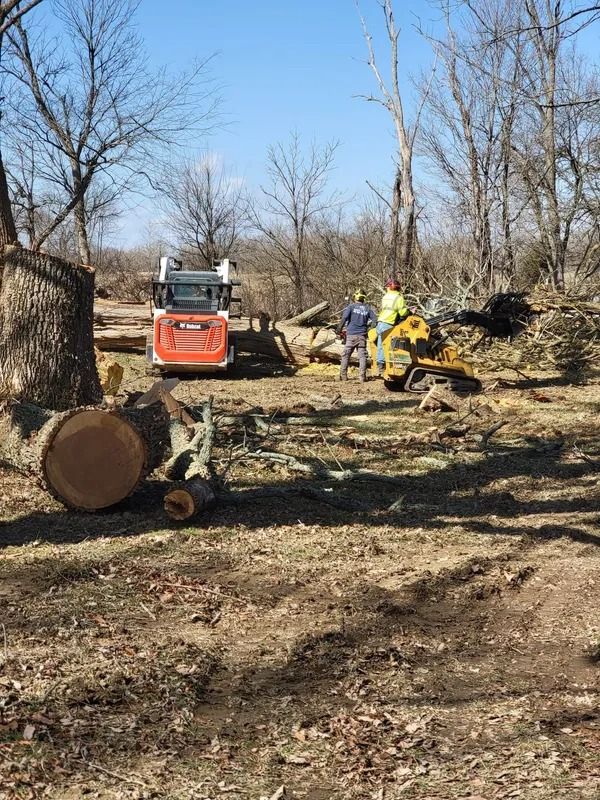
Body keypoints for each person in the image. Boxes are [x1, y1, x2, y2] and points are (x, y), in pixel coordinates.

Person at [336, 289, 377, 382]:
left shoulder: (351, 307)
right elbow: (375, 320)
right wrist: (369, 329)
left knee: (346, 355)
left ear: (355, 297)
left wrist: (339, 329)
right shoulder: (367, 308)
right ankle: (362, 377)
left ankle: (343, 376)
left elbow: (344, 318)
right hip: (362, 336)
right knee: (362, 356)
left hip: (351, 335)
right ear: (364, 298)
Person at [376, 278, 409, 376]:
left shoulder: (385, 296)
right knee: (391, 347)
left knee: (380, 345)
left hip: (380, 322)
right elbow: (402, 312)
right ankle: (386, 368)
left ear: (389, 287)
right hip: (389, 323)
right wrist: (409, 311)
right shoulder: (399, 297)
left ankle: (380, 366)